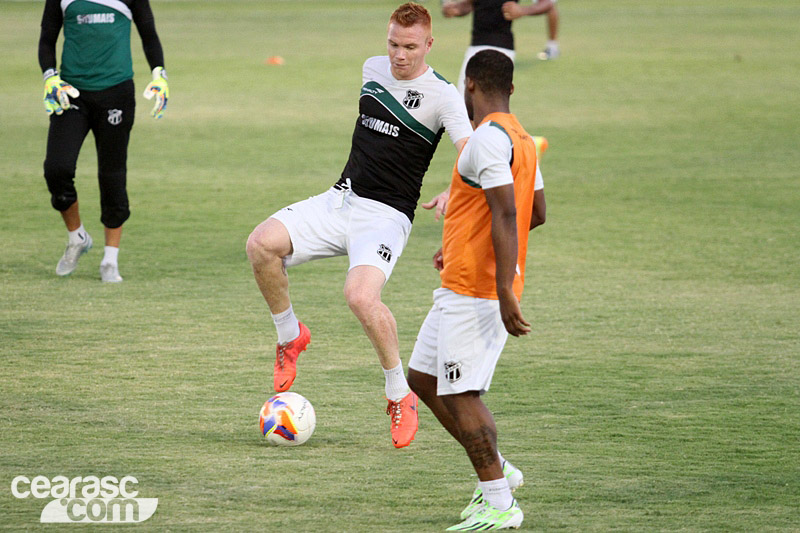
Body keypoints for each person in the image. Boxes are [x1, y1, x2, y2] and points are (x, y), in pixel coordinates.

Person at [246, 2, 472, 449]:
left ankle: (398, 393)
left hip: (386, 216)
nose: (399, 55)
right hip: (340, 199)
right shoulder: (372, 69)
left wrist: (453, 190)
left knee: (359, 296)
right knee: (260, 245)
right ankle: (290, 337)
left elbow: (469, 148)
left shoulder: (444, 95)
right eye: (393, 44)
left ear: (429, 43)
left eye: (410, 46)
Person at [407, 49, 546, 530]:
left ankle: (500, 503)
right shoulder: (521, 138)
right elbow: (537, 211)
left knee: (462, 392)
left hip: (477, 291)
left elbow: (508, 213)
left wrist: (505, 287)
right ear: (511, 88)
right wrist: (462, 242)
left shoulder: (486, 140)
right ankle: (498, 470)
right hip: (461, 282)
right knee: (422, 379)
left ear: (469, 86)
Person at [39, 0, 169, 282]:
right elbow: (46, 40)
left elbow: (149, 35)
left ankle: (110, 259)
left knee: (111, 175)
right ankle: (77, 238)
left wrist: (159, 73)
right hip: (71, 94)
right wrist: (50, 76)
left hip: (117, 93)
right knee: (57, 169)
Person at [442, 0, 560, 94]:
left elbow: (547, 3)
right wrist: (456, 9)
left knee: (491, 103)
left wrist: (523, 10)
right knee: (465, 103)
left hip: (501, 47)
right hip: (475, 46)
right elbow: (471, 4)